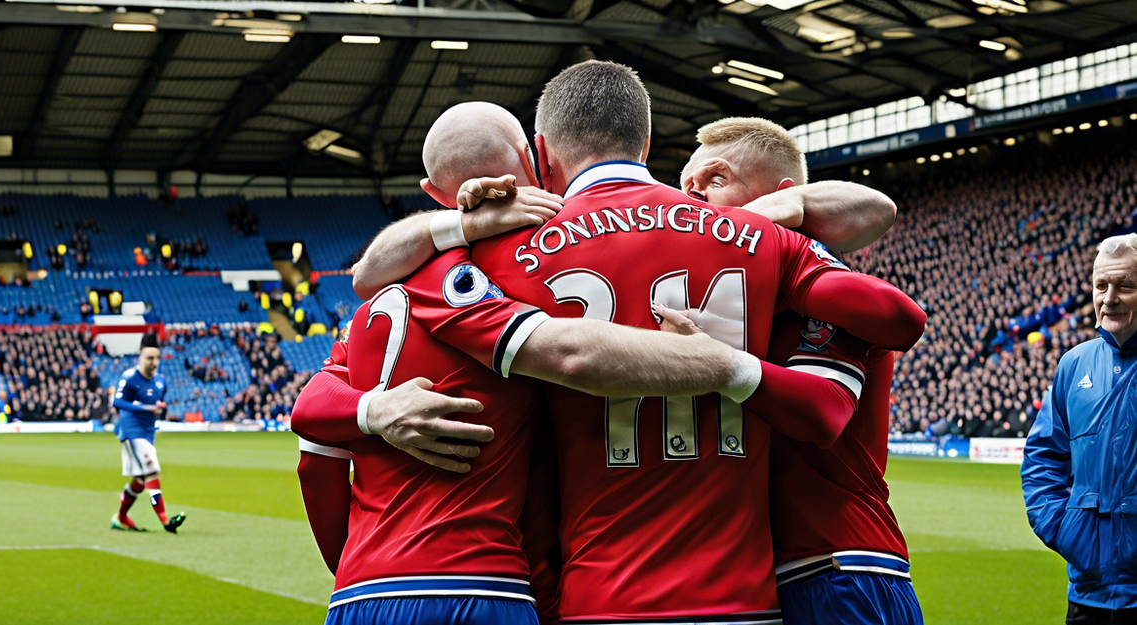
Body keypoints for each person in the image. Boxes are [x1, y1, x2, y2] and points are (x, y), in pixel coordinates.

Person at [312, 62, 925, 624]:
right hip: (744, 594)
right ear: (649, 144)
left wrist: (458, 223)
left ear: (543, 152)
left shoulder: (493, 259)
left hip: (596, 595)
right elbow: (896, 313)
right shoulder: (759, 238)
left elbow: (369, 282)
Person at [672, 118, 925, 625]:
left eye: (715, 182)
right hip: (740, 581)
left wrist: (722, 362)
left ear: (780, 197)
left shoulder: (824, 294)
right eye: (685, 189)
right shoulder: (706, 297)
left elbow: (900, 322)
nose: (692, 203)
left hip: (837, 567)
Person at [1023, 233, 1137, 625]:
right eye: (1101, 286)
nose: (1109, 298)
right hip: (1087, 595)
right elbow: (1042, 458)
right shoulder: (1074, 366)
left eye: (1126, 286)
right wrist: (1066, 530)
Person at [110, 334, 186, 533]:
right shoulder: (129, 378)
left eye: (157, 358)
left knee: (139, 481)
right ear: (140, 358)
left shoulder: (160, 381)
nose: (154, 363)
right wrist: (144, 407)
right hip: (131, 431)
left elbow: (158, 405)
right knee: (153, 472)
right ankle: (165, 520)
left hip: (148, 432)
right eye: (149, 358)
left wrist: (161, 408)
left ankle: (121, 517)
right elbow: (117, 403)